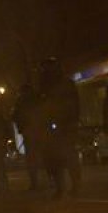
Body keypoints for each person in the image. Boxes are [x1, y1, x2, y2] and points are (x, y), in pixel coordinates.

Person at [39, 58, 81, 198]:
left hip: (64, 124)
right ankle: (63, 187)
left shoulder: (63, 84)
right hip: (54, 125)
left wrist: (72, 120)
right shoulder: (44, 85)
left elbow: (73, 104)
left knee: (67, 155)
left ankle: (73, 185)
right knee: (56, 157)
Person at [12, 82, 45, 191]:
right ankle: (46, 179)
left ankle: (35, 182)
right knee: (40, 156)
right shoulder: (36, 99)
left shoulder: (20, 101)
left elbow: (15, 116)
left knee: (32, 158)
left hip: (29, 132)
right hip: (38, 131)